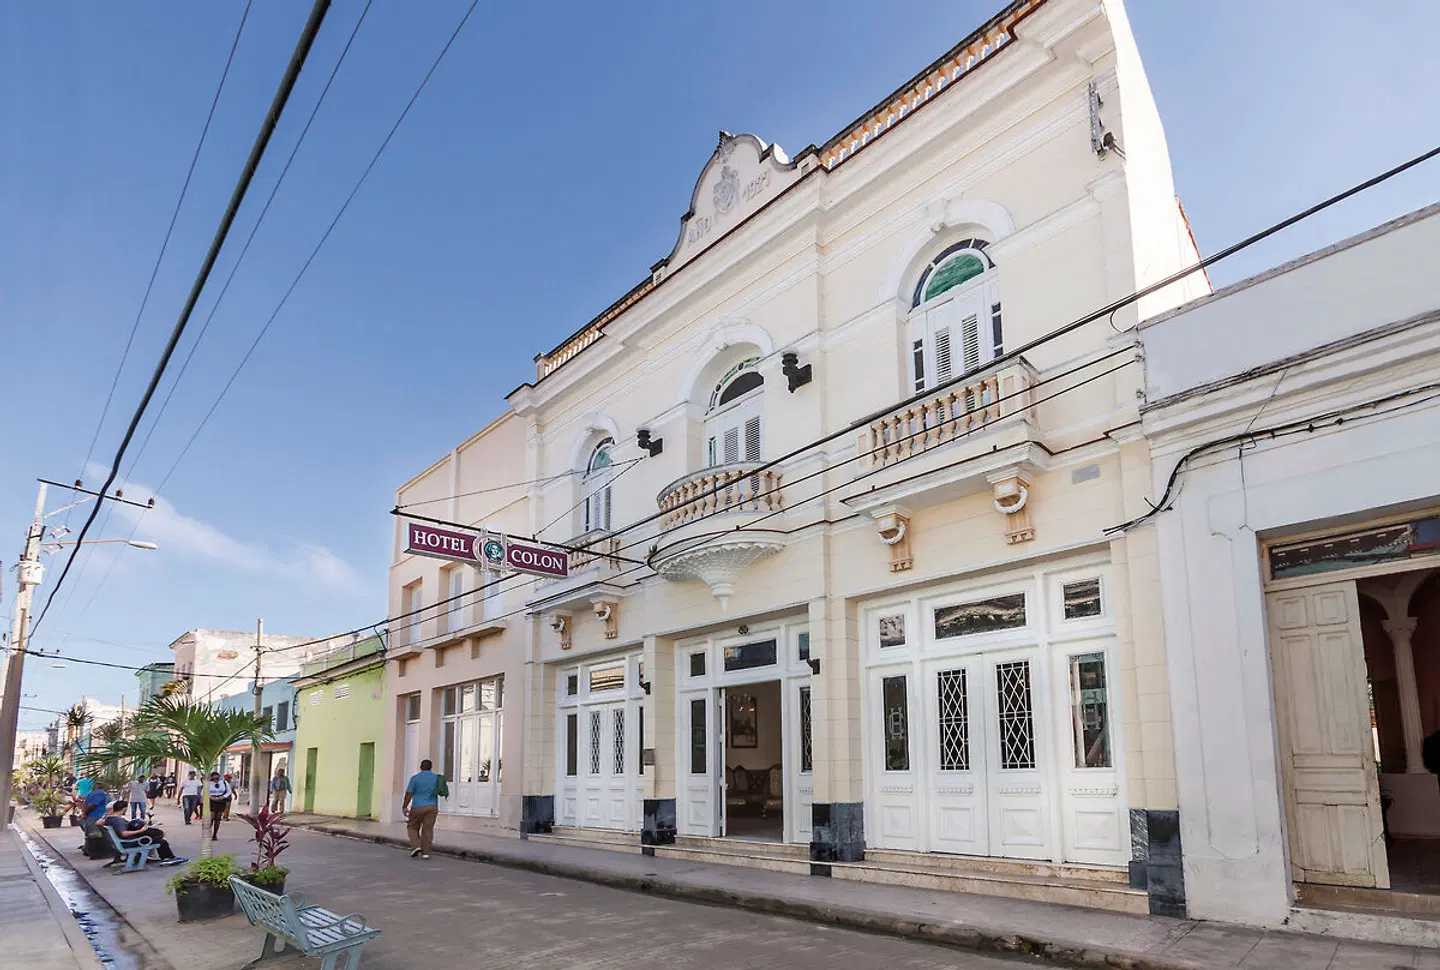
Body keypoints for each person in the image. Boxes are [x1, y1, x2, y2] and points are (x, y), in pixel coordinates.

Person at [100, 800, 186, 867]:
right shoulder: (118, 821)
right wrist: (140, 831)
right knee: (161, 841)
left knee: (153, 835)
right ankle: (168, 858)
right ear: (124, 809)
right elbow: (124, 834)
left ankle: (143, 857)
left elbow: (99, 822)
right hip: (128, 843)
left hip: (120, 842)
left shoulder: (108, 819)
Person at [402, 759, 441, 859]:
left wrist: (405, 806)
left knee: (412, 826)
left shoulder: (415, 778)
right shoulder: (437, 778)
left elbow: (409, 793)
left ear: (420, 767)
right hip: (432, 807)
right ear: (431, 767)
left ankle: (416, 846)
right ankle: (426, 852)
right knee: (428, 829)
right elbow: (441, 791)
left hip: (417, 807)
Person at [207, 772, 232, 840]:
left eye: (217, 778)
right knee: (212, 817)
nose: (215, 780)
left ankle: (215, 834)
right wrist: (210, 797)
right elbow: (203, 792)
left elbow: (229, 791)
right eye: (214, 778)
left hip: (221, 800)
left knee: (218, 818)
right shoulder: (209, 784)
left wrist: (223, 796)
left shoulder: (224, 783)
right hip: (212, 800)